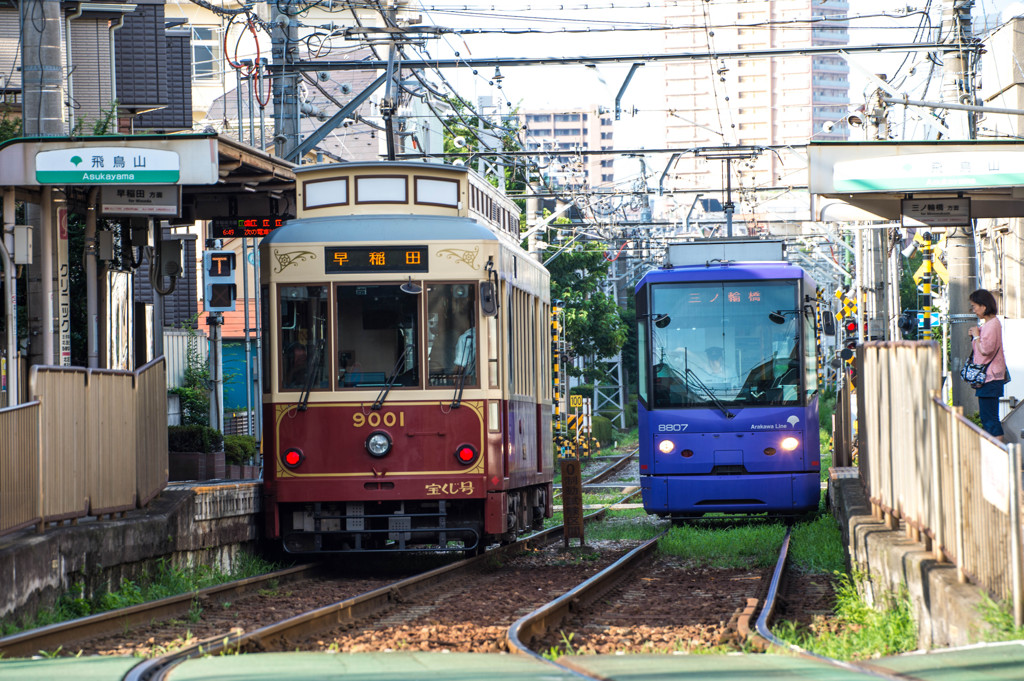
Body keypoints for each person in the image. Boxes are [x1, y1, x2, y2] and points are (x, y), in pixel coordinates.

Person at [968, 288, 1007, 441]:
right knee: (989, 418)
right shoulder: (989, 324)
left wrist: (977, 336)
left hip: (990, 378)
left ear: (983, 306)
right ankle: (998, 453)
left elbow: (985, 350)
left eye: (974, 306)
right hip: (989, 378)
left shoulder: (992, 325)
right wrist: (976, 335)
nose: (974, 310)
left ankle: (999, 454)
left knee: (990, 419)